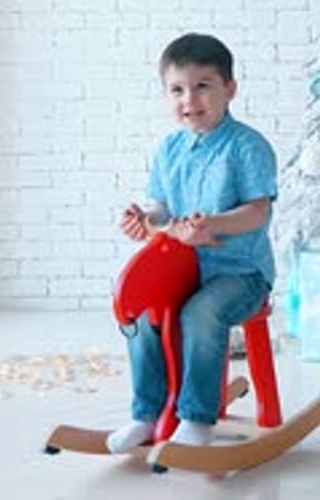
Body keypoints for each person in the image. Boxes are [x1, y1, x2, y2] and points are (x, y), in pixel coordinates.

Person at [106, 32, 277, 453]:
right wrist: (146, 219)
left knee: (201, 313)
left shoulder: (247, 146)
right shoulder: (170, 148)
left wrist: (214, 224)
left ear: (229, 89)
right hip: (186, 269)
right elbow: (163, 207)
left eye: (203, 86)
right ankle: (146, 414)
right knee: (145, 314)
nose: (190, 99)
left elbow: (259, 211)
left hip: (240, 273)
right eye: (177, 89)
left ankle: (197, 419)